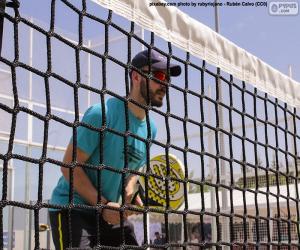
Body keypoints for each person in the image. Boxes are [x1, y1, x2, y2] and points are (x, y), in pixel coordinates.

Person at [49, 49, 181, 249]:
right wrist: (102, 205)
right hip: (72, 209)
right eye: (159, 76)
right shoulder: (102, 114)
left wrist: (129, 193)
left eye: (167, 78)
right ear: (136, 76)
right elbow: (68, 166)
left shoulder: (151, 129)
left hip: (110, 214)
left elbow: (132, 171)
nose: (165, 84)